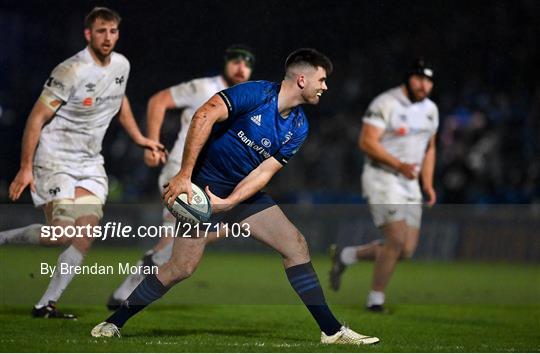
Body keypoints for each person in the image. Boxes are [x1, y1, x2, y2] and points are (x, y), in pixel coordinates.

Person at [91, 48, 379, 345]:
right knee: (181, 268)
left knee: (295, 245)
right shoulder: (256, 94)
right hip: (200, 190)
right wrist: (185, 176)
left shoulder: (298, 127)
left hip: (241, 195)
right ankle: (115, 321)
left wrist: (231, 202)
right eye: (322, 79)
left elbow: (263, 174)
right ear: (302, 79)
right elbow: (204, 114)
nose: (325, 86)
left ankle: (331, 331)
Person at [0, 7, 164, 319]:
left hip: (90, 162)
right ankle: (4, 237)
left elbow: (121, 100)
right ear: (88, 34)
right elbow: (36, 118)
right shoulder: (71, 69)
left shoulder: (121, 65)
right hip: (55, 158)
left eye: (113, 31)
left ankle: (45, 304)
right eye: (101, 31)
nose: (108, 37)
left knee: (86, 232)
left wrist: (141, 138)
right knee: (61, 234)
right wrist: (25, 167)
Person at [106, 45, 255, 310]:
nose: (241, 67)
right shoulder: (203, 87)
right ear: (226, 64)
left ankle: (137, 276)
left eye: (247, 63)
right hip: (179, 171)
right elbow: (158, 101)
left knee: (218, 230)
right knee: (178, 238)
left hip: (210, 178)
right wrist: (152, 143)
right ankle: (125, 295)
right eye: (235, 61)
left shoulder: (248, 98)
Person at [329, 58, 438, 312]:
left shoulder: (431, 109)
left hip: (410, 182)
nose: (424, 85)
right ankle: (375, 300)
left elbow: (430, 148)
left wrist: (428, 184)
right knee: (396, 239)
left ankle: (347, 255)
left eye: (428, 81)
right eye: (419, 79)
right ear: (408, 79)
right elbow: (367, 142)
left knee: (407, 250)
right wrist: (399, 165)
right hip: (382, 177)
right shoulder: (386, 103)